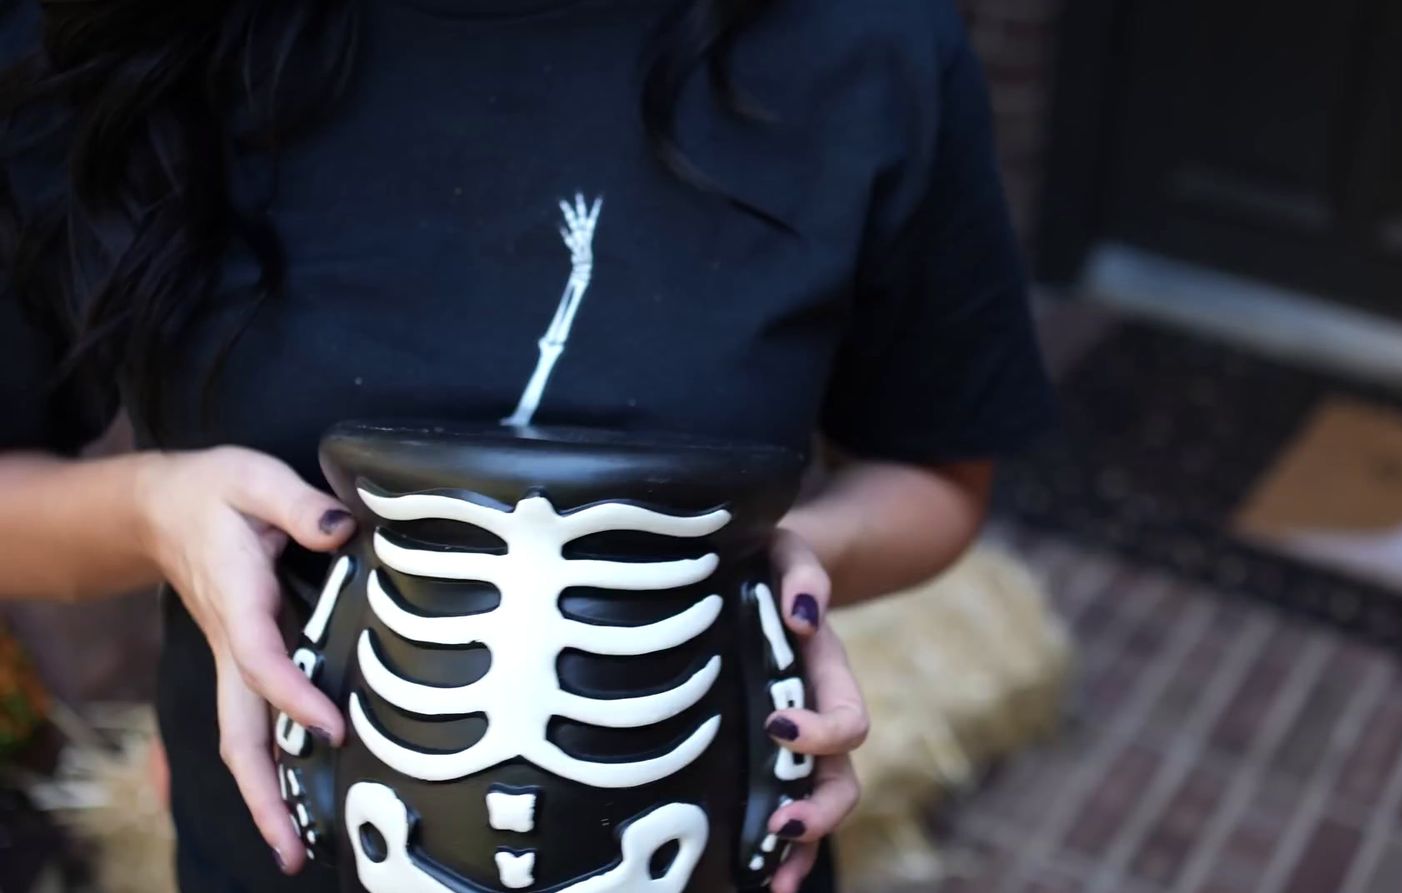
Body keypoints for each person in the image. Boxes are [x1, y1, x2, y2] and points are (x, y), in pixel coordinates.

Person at [0, 0, 1055, 890]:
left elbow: (936, 467)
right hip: (273, 847)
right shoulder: (101, 37)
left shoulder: (862, 39)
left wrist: (800, 560)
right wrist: (155, 509)